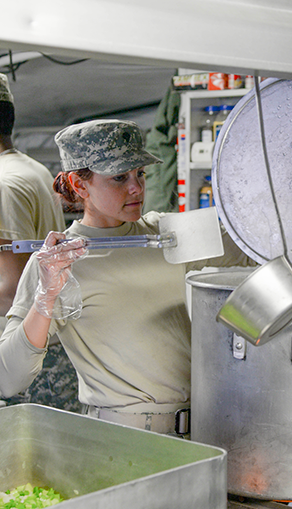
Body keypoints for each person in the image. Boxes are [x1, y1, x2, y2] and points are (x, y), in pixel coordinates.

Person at [0, 118, 255, 435]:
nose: (136, 187)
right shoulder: (58, 262)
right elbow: (8, 377)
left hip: (199, 432)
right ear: (80, 186)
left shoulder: (168, 233)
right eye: (119, 177)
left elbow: (257, 242)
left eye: (140, 174)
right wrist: (46, 297)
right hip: (123, 440)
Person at [0, 73, 81, 412]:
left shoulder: (4, 183)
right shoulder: (30, 169)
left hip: (25, 355)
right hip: (48, 346)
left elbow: (10, 286)